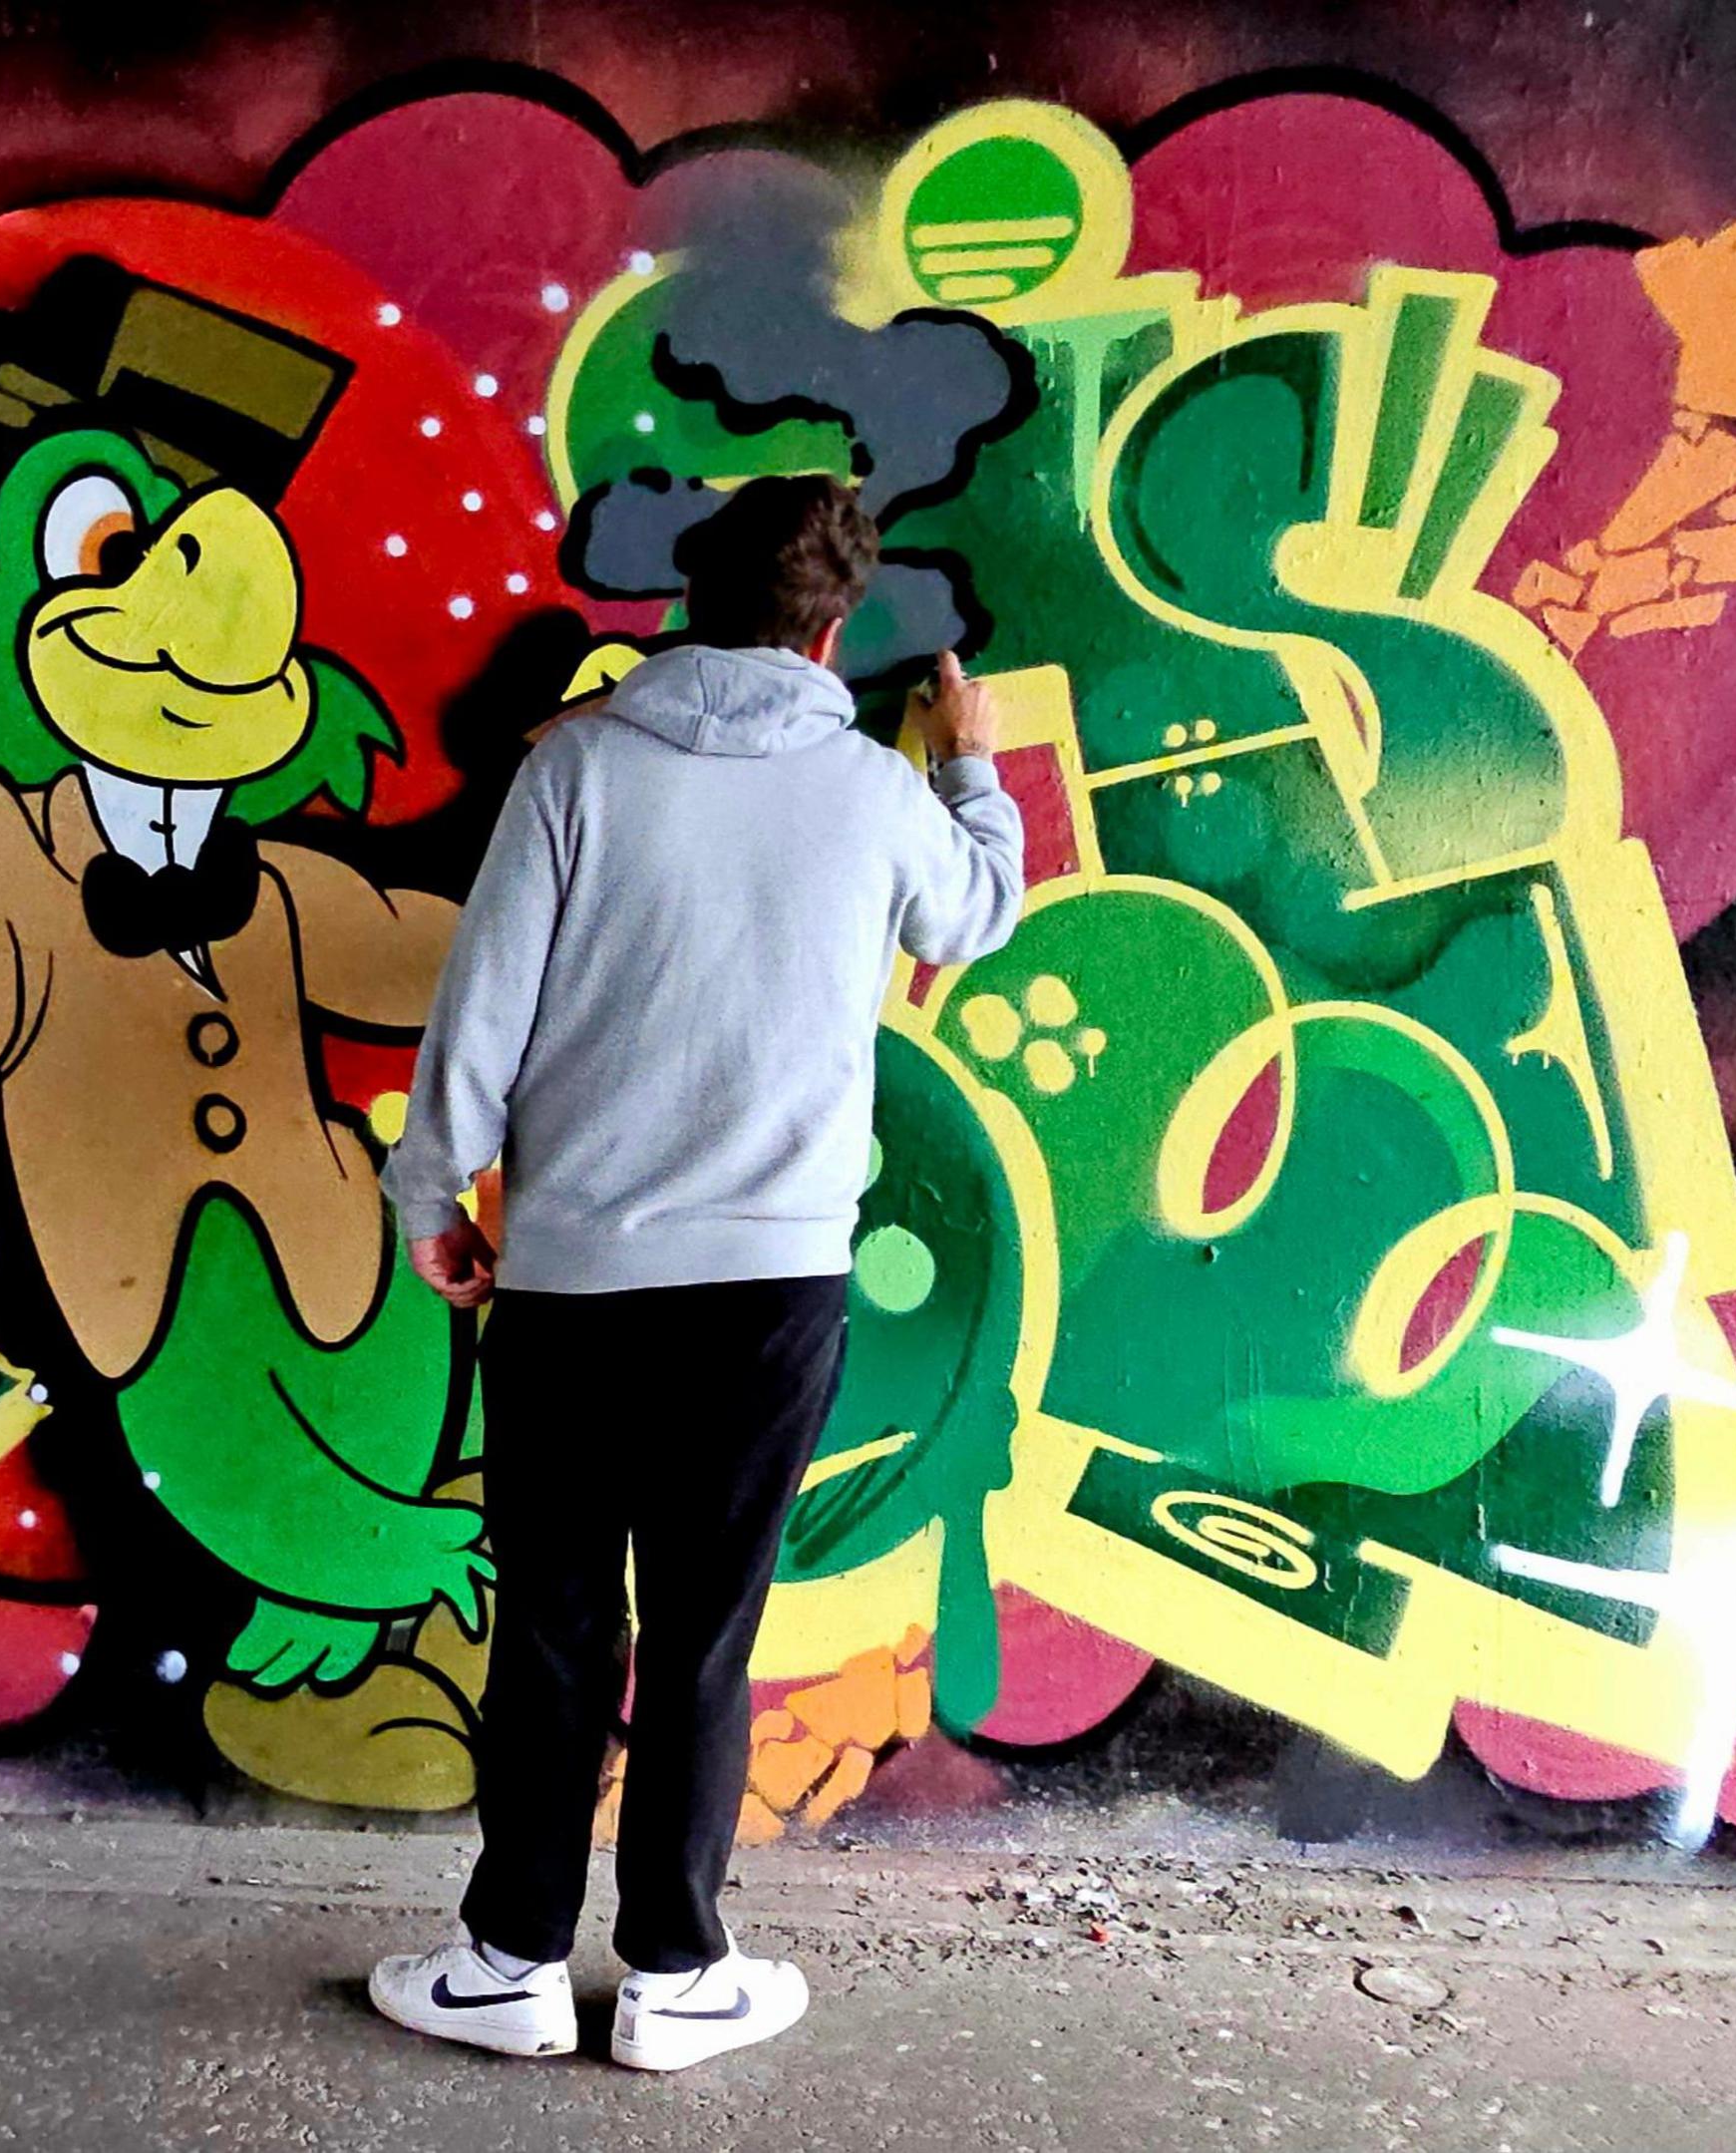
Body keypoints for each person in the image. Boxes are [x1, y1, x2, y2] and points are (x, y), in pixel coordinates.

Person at [364, 473, 1024, 2071]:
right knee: (709, 1628)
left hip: (574, 1282)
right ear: (836, 626)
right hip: (771, 1295)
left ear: (690, 598)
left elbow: (483, 1008)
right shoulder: (879, 792)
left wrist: (429, 1193)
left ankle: (509, 1959)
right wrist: (973, 761)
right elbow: (981, 908)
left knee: (555, 1626)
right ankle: (674, 1974)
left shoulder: (577, 769)